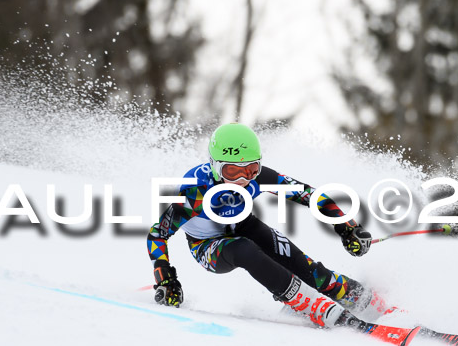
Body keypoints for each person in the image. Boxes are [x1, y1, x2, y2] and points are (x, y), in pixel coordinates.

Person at [146, 123, 390, 329]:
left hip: (244, 225)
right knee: (244, 249)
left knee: (306, 268)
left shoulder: (260, 178)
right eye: (232, 171)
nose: (242, 180)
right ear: (214, 166)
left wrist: (347, 227)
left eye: (251, 169)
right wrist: (166, 278)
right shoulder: (196, 193)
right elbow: (157, 234)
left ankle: (358, 296)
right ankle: (302, 301)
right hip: (207, 246)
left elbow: (310, 195)